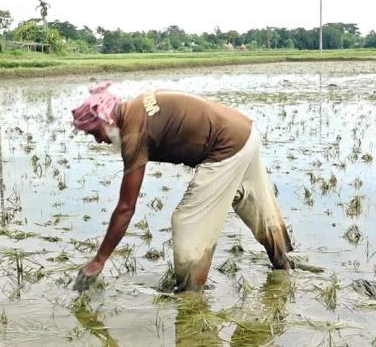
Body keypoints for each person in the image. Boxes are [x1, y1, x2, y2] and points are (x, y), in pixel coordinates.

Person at [71, 82, 294, 292]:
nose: (98, 141)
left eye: (94, 133)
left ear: (105, 121)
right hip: (244, 131)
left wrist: (99, 260)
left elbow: (126, 207)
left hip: (226, 144)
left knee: (187, 221)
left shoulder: (134, 133)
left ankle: (190, 294)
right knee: (251, 200)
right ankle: (283, 265)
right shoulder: (136, 106)